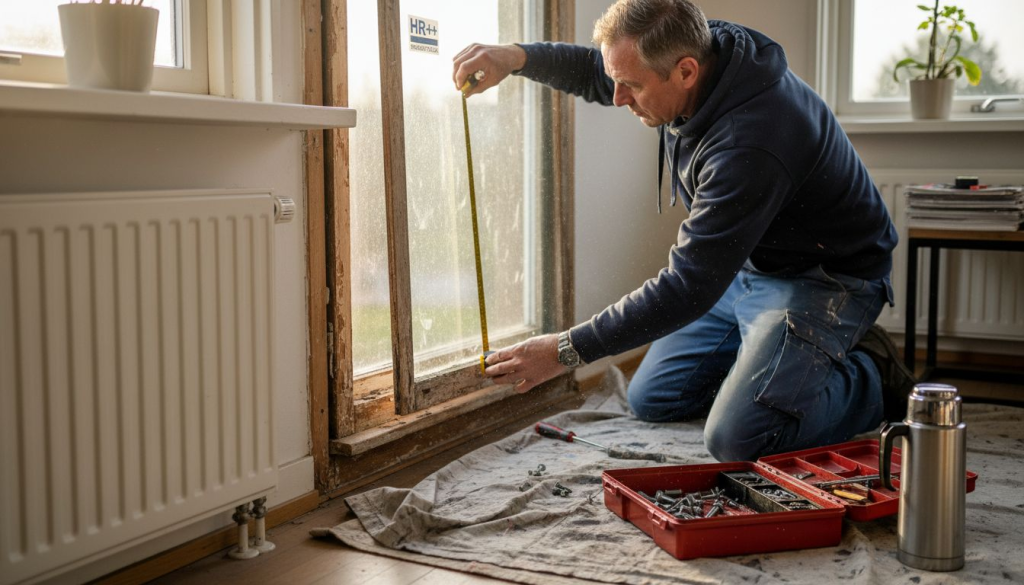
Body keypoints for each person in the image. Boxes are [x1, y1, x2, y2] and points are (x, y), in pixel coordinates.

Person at [453, 0, 916, 462]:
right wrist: (513, 57)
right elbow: (603, 72)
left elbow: (687, 287)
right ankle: (776, 361)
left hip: (824, 279)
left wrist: (564, 351)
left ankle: (870, 374)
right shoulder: (698, 50)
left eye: (630, 86)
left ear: (686, 72)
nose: (617, 97)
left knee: (738, 441)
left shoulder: (750, 141)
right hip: (747, 263)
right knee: (653, 400)